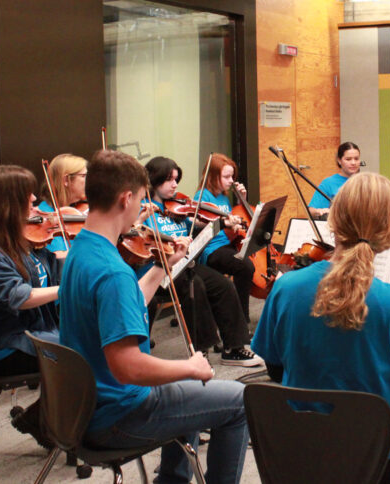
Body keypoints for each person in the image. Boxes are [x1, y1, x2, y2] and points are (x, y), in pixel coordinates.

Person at [252, 172, 390, 484]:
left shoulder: (285, 289)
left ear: (333, 223)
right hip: (374, 462)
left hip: (298, 454)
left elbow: (277, 371)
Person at [59, 149, 248, 483]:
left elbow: (126, 303)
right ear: (125, 198)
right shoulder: (111, 271)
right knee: (239, 401)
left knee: (187, 385)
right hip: (121, 412)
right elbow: (127, 366)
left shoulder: (81, 251)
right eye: (141, 199)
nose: (142, 209)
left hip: (86, 406)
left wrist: (162, 266)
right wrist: (189, 366)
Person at [0, 164, 60, 445]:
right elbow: (19, 297)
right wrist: (66, 290)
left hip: (33, 333)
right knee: (86, 352)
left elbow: (42, 275)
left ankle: (48, 418)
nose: (34, 200)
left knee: (93, 340)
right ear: (8, 202)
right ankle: (44, 420)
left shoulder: (19, 240)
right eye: (27, 195)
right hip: (4, 346)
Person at [137, 156, 262, 366]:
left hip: (183, 265)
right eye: (169, 180)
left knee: (223, 285)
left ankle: (234, 348)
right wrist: (140, 221)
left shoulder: (178, 207)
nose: (175, 185)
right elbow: (134, 236)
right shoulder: (143, 208)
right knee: (195, 286)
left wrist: (219, 223)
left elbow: (197, 224)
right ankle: (200, 351)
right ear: (154, 180)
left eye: (176, 179)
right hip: (159, 271)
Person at [194, 153, 255, 322]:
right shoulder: (202, 196)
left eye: (232, 176)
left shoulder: (223, 196)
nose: (231, 181)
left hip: (227, 243)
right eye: (226, 177)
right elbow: (201, 223)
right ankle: (241, 318)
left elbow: (233, 218)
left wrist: (242, 200)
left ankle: (237, 313)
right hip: (211, 248)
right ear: (213, 176)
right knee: (245, 266)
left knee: (249, 260)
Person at [36, 153, 88, 255]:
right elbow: (60, 256)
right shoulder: (46, 217)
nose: (89, 181)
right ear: (66, 180)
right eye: (83, 176)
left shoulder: (80, 209)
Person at [307, 141, 361, 219]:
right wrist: (319, 211)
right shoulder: (328, 183)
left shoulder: (366, 181)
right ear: (339, 160)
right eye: (348, 159)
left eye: (356, 159)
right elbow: (311, 211)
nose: (353, 163)